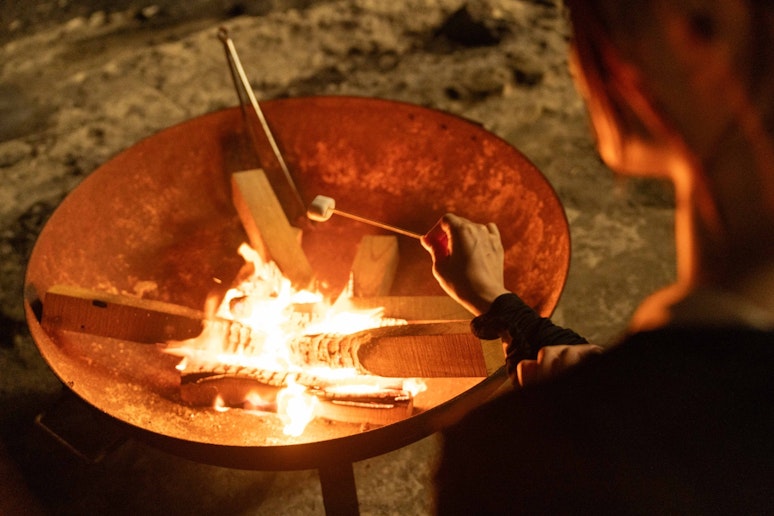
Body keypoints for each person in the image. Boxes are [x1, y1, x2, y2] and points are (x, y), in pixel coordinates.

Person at [423, 0, 774, 513]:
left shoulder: (523, 462)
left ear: (702, 28)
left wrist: (563, 417)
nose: (575, 60)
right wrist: (509, 311)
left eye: (593, 25)